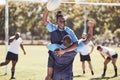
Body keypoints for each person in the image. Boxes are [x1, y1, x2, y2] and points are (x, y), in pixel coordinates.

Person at [43, 9, 78, 80]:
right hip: (53, 55)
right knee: (49, 75)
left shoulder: (69, 31)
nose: (62, 23)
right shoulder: (53, 28)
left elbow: (76, 44)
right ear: (56, 22)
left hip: (64, 56)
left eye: (64, 21)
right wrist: (48, 8)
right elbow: (44, 20)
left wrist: (64, 51)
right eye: (60, 21)